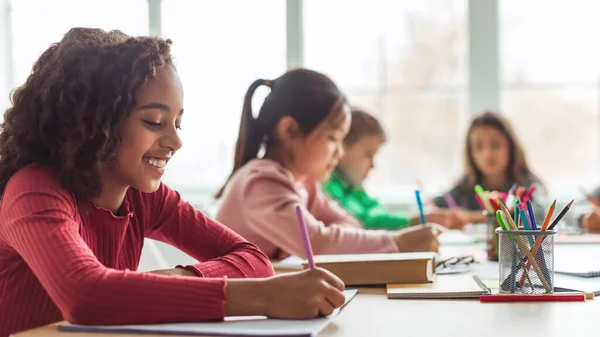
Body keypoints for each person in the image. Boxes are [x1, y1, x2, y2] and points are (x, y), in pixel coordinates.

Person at [0, 28, 345, 337]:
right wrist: (265, 297)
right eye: (154, 121)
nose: (175, 142)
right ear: (93, 123)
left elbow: (252, 259)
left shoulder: (143, 197)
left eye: (177, 123)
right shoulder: (33, 191)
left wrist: (175, 280)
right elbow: (86, 295)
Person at [215, 68, 442, 261]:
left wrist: (335, 239)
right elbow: (317, 243)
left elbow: (349, 224)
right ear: (290, 131)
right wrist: (397, 242)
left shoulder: (305, 185)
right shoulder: (261, 182)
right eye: (333, 139)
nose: (339, 152)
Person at [323, 107, 467, 229]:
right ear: (342, 147)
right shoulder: (328, 187)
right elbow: (362, 222)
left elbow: (377, 210)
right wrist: (415, 221)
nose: (373, 165)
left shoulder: (352, 187)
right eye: (368, 155)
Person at [433, 111, 548, 223]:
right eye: (478, 147)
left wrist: (470, 217)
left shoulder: (528, 185)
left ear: (511, 148)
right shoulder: (464, 187)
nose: (487, 154)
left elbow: (539, 213)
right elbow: (434, 209)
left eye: (496, 145)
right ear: (470, 153)